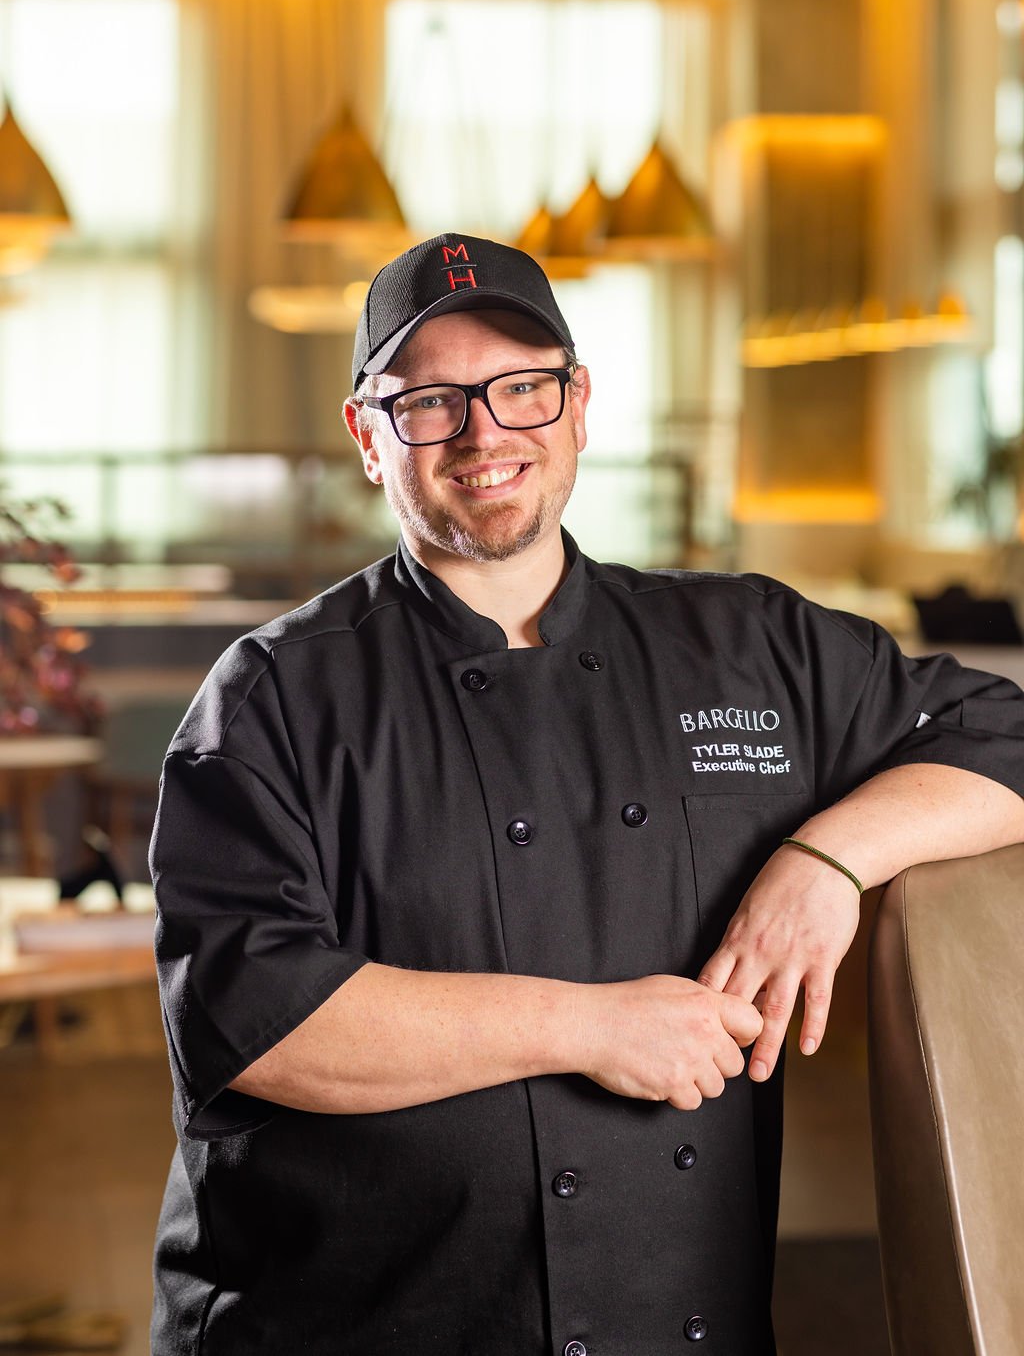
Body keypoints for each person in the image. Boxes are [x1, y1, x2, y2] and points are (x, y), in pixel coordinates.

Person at [150, 232, 1024, 1356]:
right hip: (351, 1323)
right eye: (431, 401)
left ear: (578, 404)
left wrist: (829, 860)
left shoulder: (748, 644)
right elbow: (255, 1021)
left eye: (521, 387)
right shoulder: (273, 694)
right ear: (368, 435)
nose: (485, 434)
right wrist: (595, 1025)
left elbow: (1003, 736)